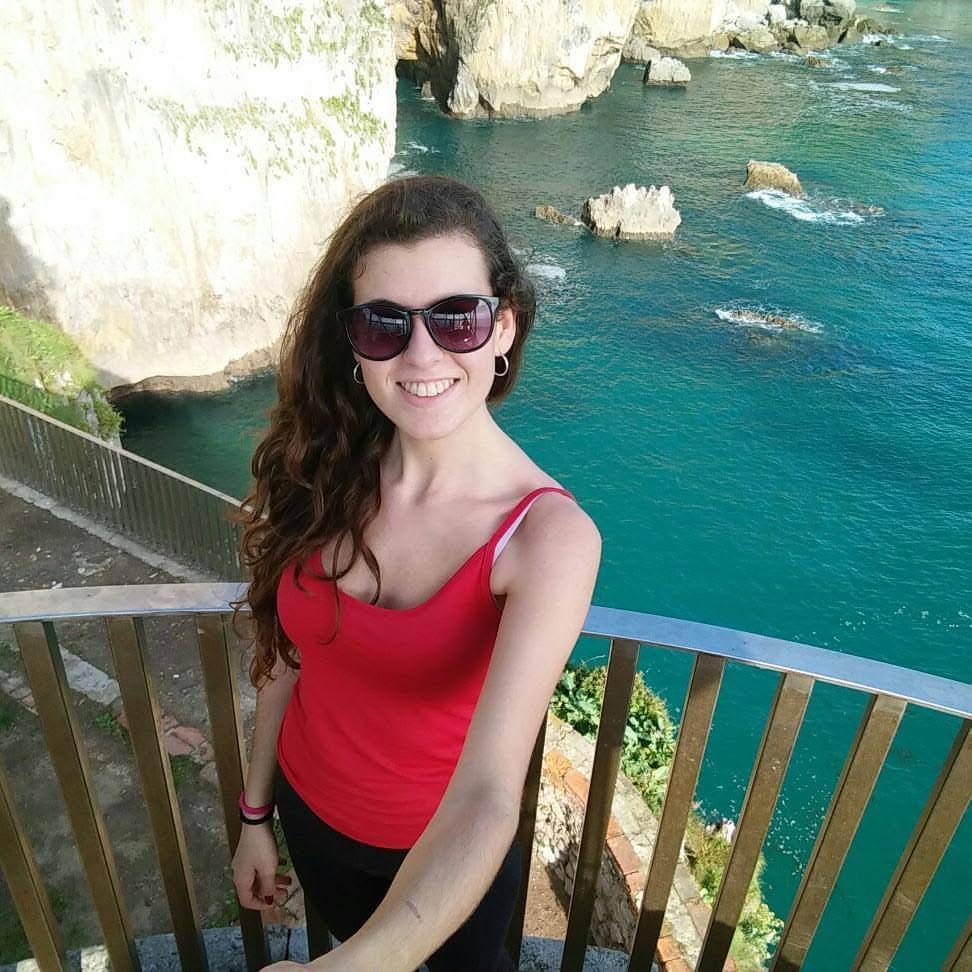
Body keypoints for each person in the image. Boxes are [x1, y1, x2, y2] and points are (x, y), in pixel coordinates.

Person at [231, 175, 601, 971]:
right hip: (312, 820)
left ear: (503, 326)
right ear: (352, 341)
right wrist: (254, 814)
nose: (422, 354)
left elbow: (489, 793)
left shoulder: (547, 539)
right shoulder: (322, 475)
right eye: (385, 323)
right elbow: (288, 661)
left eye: (456, 318)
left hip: (444, 860)